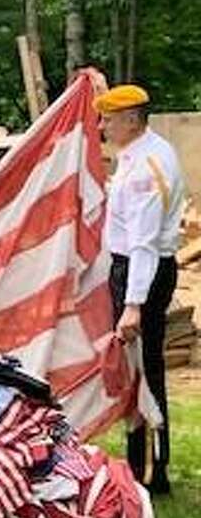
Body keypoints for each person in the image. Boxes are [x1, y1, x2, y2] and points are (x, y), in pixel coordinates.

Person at [95, 84, 187, 495]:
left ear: (132, 120)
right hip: (135, 268)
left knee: (145, 372)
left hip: (141, 272)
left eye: (108, 120)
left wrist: (133, 304)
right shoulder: (141, 153)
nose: (102, 126)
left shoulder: (147, 168)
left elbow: (143, 243)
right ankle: (141, 464)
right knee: (137, 368)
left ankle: (150, 471)